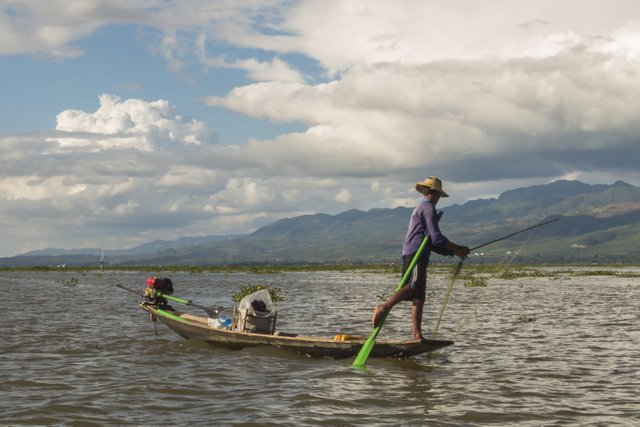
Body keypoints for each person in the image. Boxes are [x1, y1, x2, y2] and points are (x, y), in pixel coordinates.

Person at [371, 176, 470, 341]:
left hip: (420, 253)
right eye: (438, 194)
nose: (438, 197)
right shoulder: (428, 208)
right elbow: (437, 238)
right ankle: (383, 307)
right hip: (415, 253)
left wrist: (453, 252)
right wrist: (458, 248)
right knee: (413, 286)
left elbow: (431, 242)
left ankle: (417, 335)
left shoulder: (426, 208)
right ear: (434, 192)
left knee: (419, 298)